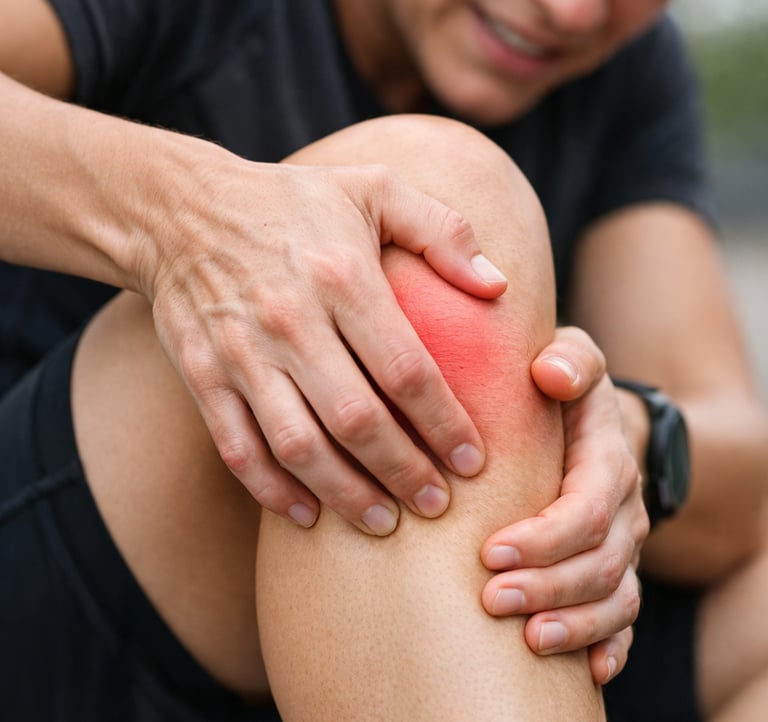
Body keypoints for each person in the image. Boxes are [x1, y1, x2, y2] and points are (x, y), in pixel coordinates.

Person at [0, 0, 765, 720]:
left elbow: (740, 461)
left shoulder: (627, 74)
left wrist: (619, 435)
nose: (571, 13)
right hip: (57, 613)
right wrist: (179, 219)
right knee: (433, 223)